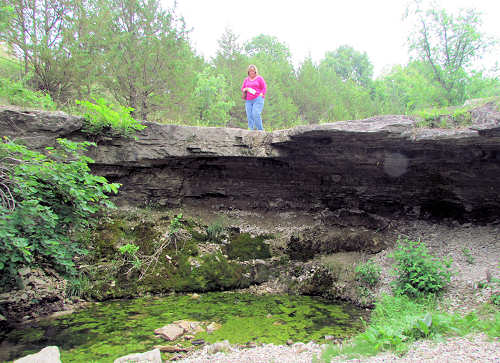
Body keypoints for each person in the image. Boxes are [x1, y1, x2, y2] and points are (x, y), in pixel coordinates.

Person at [241, 64, 267, 131]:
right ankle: (251, 130)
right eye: (250, 71)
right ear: (248, 72)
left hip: (257, 98)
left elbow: (264, 87)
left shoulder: (259, 78)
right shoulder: (246, 80)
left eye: (253, 71)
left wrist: (261, 94)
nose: (252, 72)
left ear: (255, 71)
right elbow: (243, 88)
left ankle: (260, 130)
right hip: (248, 100)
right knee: (249, 116)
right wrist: (245, 89)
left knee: (256, 114)